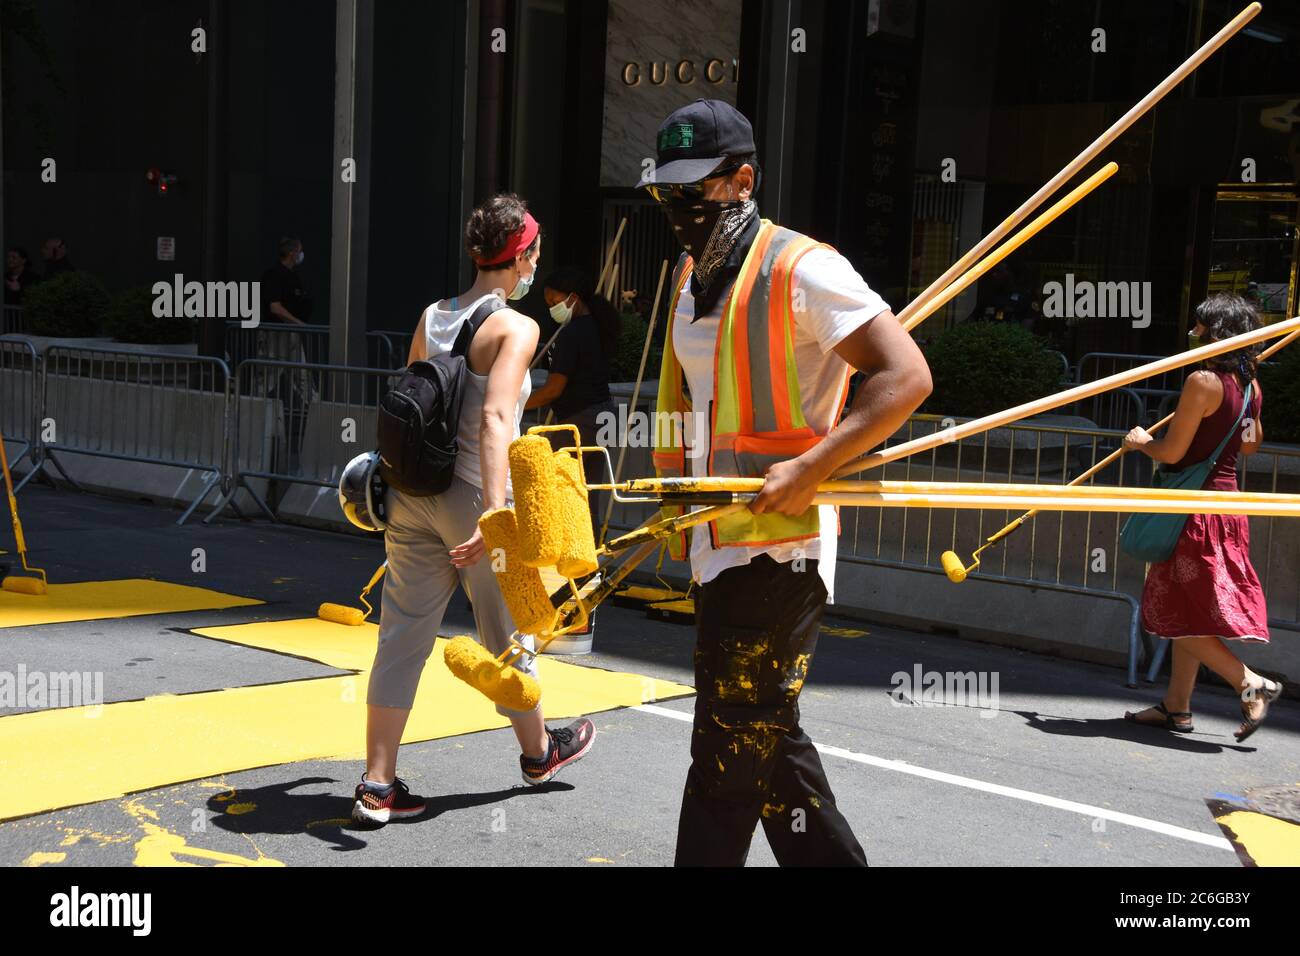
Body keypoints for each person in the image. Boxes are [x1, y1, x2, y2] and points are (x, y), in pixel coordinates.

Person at [640, 99, 932, 865]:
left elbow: (905, 377)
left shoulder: (804, 267)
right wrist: (675, 507)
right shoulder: (687, 272)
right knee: (767, 749)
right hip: (715, 540)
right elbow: (683, 397)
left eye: (692, 190)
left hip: (780, 549)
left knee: (725, 759)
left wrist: (812, 465)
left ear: (742, 180)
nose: (678, 208)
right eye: (667, 192)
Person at [352, 193, 595, 826]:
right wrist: (495, 518)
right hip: (471, 498)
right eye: (534, 254)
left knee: (401, 636)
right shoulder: (517, 327)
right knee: (510, 632)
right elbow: (494, 419)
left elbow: (407, 395)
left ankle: (377, 787)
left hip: (411, 493)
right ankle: (539, 753)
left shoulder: (433, 314)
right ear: (522, 258)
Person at [1123, 293, 1283, 742]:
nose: (1192, 334)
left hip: (1193, 513)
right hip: (1226, 508)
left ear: (1217, 332)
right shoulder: (1251, 387)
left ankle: (1251, 683)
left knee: (1169, 614)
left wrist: (1140, 441)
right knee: (1186, 609)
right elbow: (1249, 445)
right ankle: (1177, 706)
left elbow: (1172, 451)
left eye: (1199, 327)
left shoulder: (1203, 381)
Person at [528, 266, 620, 541]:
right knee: (588, 494)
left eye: (556, 302)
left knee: (559, 491)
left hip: (580, 421)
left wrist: (516, 404)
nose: (552, 309)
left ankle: (566, 554)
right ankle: (589, 562)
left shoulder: (573, 333)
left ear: (574, 298)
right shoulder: (598, 327)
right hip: (604, 418)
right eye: (549, 305)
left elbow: (554, 388)